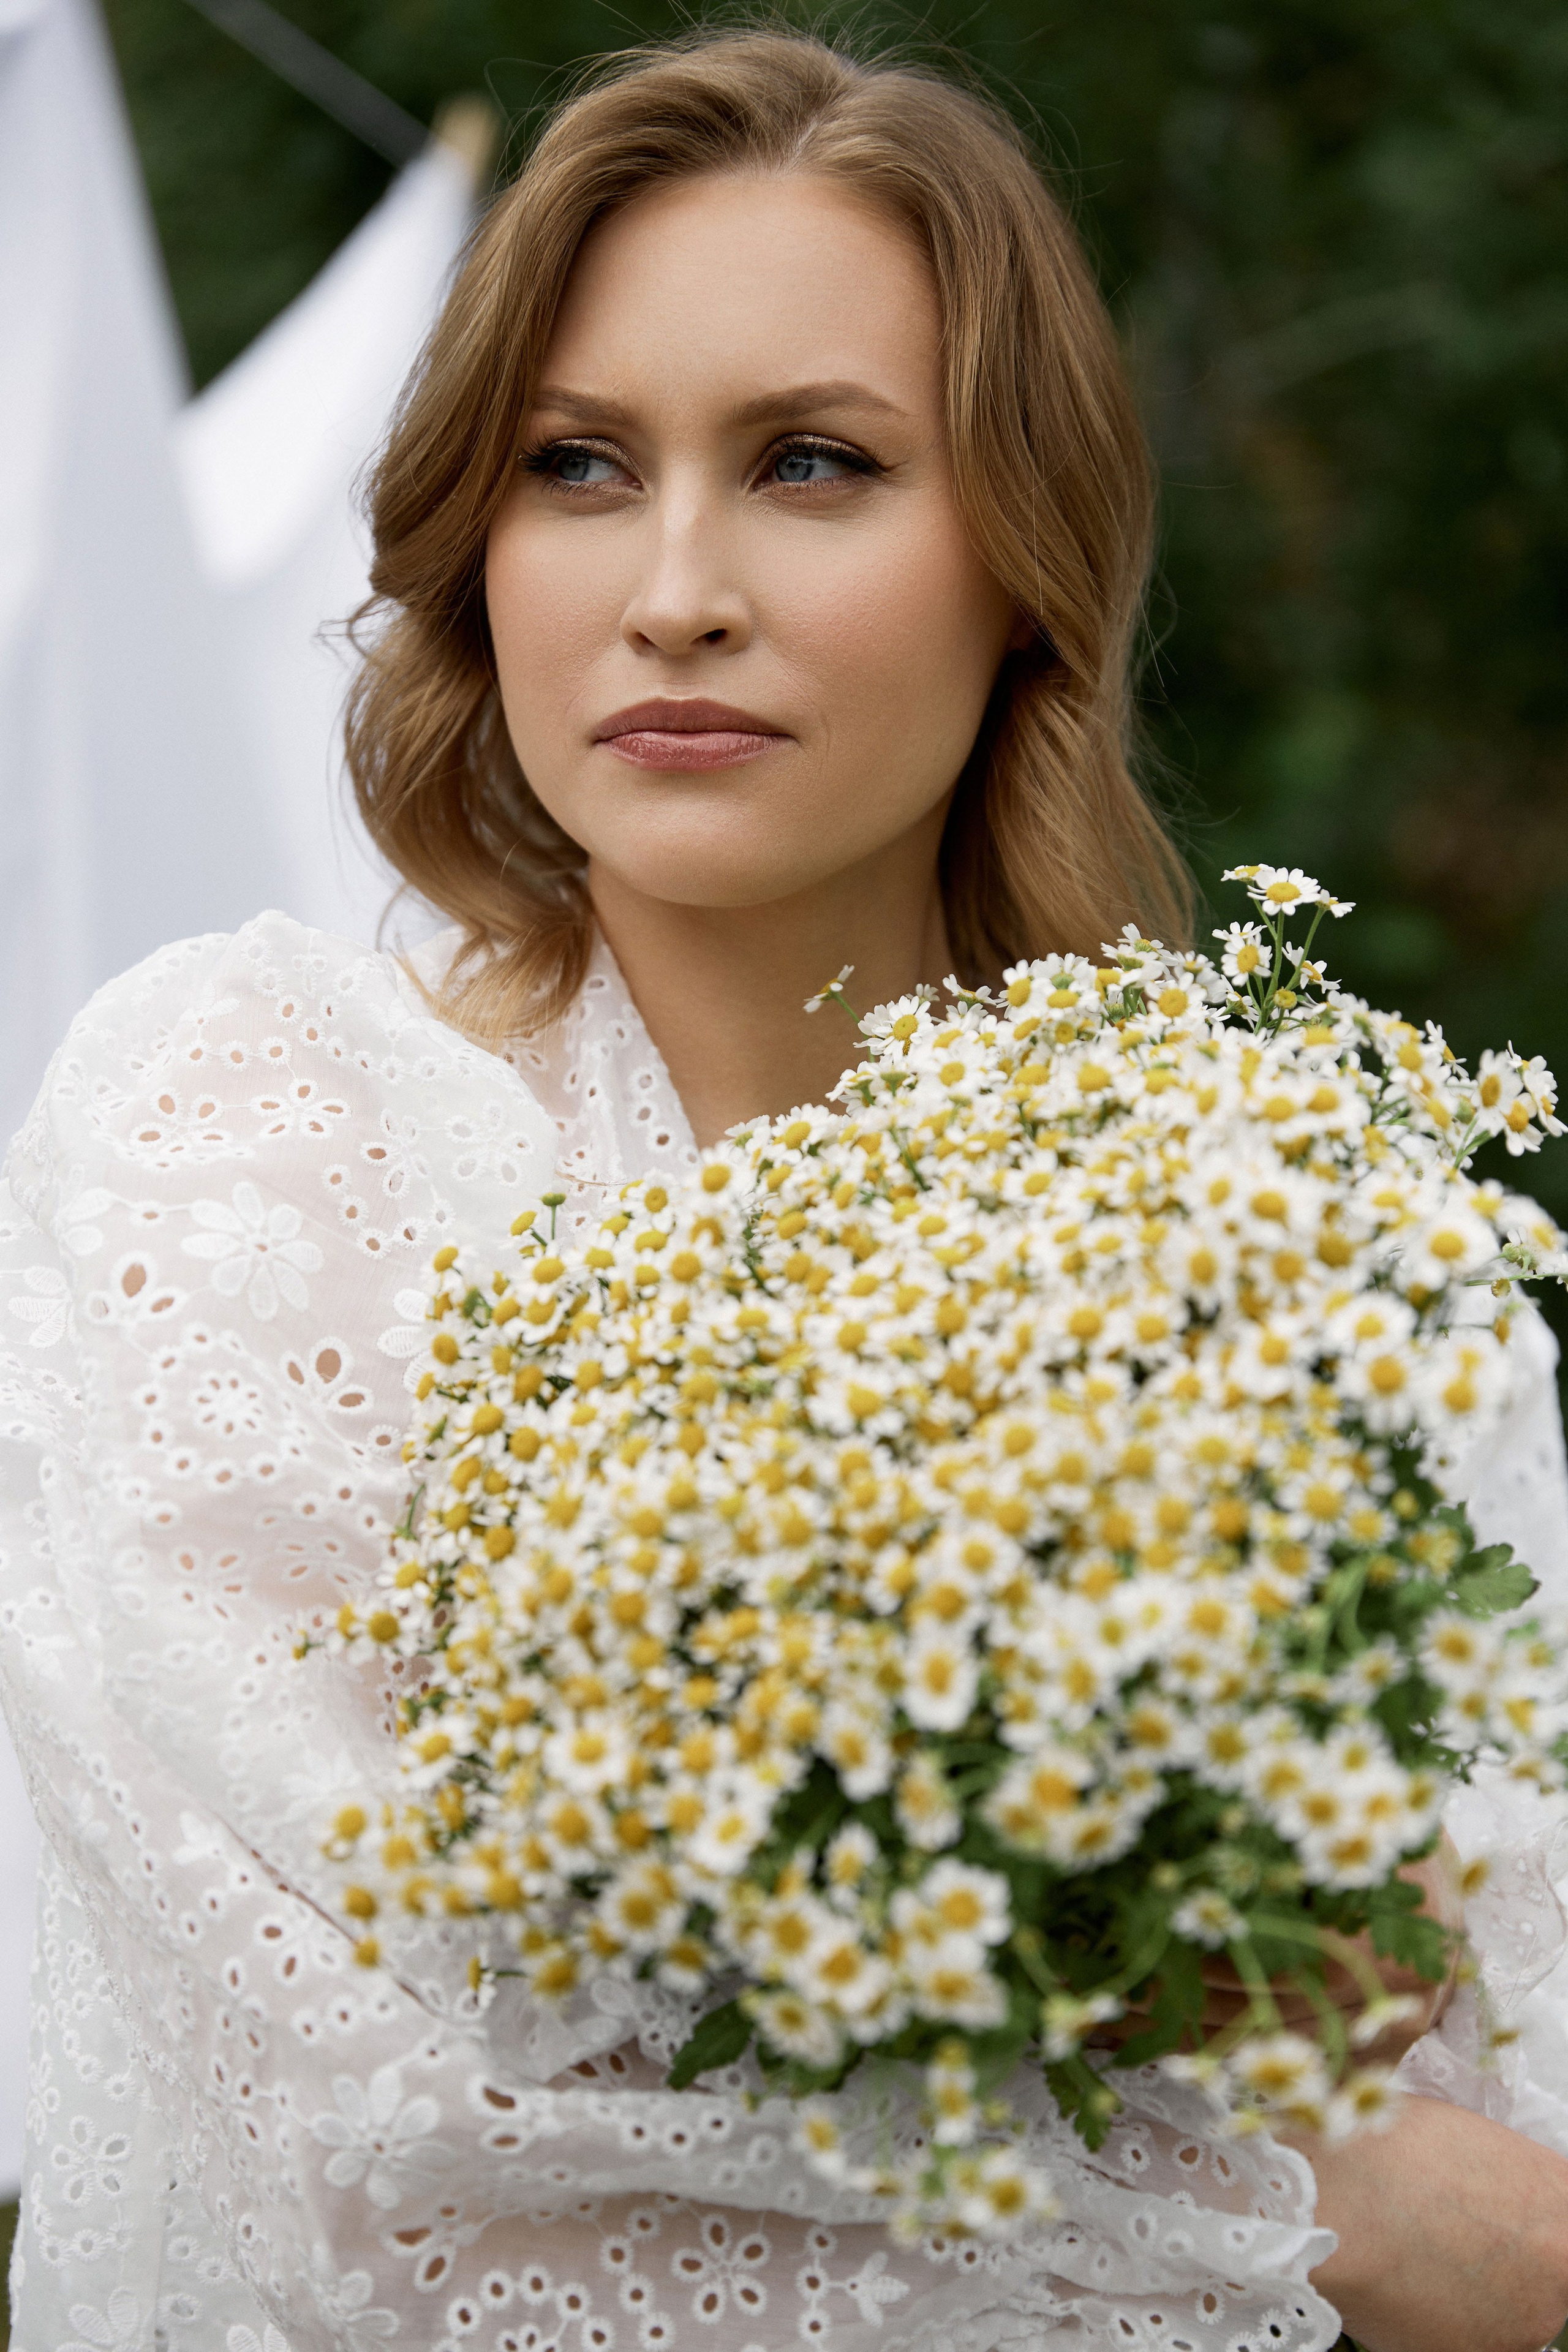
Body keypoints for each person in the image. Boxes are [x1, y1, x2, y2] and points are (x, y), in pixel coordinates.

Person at [4, 29, 1568, 2352]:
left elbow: (1503, 2067)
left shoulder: (1320, 1247)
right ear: (476, 542)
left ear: (1026, 557)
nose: (677, 587)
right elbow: (403, 2165)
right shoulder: (249, 1134)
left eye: (814, 463)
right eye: (577, 467)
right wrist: (1312, 2183)